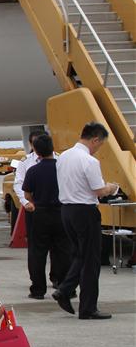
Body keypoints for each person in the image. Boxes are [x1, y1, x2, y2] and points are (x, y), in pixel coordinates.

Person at [53, 122, 119, 319]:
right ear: (95, 139)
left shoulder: (63, 157)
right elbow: (98, 191)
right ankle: (88, 307)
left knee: (81, 255)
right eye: (100, 145)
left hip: (66, 211)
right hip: (85, 211)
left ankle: (64, 290)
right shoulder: (89, 161)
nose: (99, 149)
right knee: (91, 261)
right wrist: (111, 187)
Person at [22, 134, 72, 299]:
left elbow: (27, 194)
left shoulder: (33, 170)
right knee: (63, 251)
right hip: (61, 212)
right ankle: (65, 287)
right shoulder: (63, 168)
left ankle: (38, 289)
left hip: (41, 213)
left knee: (37, 253)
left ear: (36, 151)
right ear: (52, 147)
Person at [13, 129, 47, 252]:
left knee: (58, 246)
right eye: (35, 143)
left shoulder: (59, 159)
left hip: (55, 208)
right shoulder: (25, 162)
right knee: (35, 247)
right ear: (31, 145)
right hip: (34, 207)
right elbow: (18, 184)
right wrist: (26, 202)